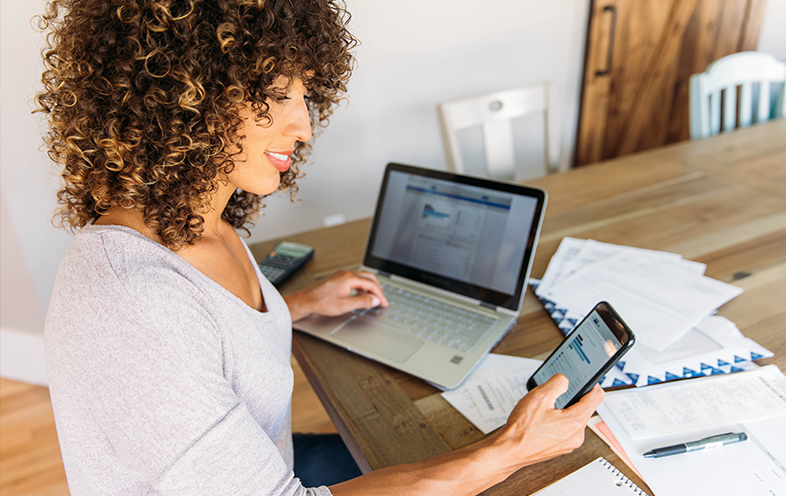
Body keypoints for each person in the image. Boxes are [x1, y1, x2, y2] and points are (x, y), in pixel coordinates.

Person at [37, 0, 605, 494]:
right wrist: (510, 449)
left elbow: (211, 336)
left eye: (305, 95)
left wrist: (299, 304)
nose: (304, 126)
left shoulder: (200, 223)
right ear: (184, 95)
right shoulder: (130, 303)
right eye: (278, 94)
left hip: (272, 460)